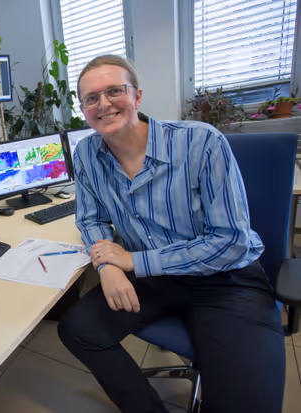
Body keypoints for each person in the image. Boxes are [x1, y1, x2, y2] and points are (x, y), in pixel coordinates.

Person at [57, 55, 285, 413]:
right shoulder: (87, 153)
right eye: (91, 98)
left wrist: (132, 261)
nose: (103, 104)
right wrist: (107, 266)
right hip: (154, 280)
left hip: (224, 278)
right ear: (83, 109)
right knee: (78, 329)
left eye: (115, 91)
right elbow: (90, 218)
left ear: (138, 95)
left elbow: (230, 241)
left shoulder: (200, 141)